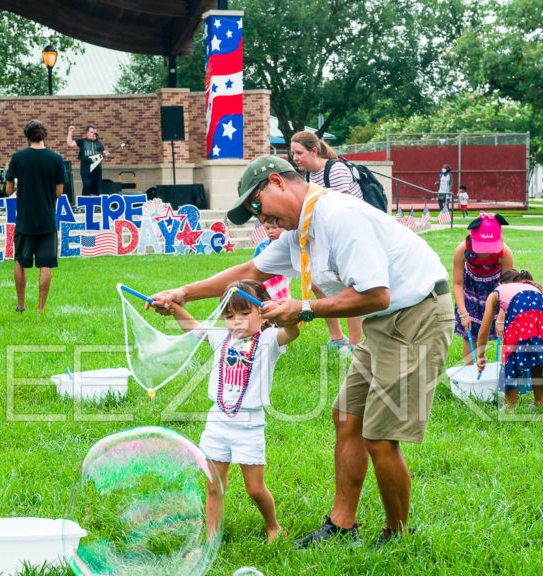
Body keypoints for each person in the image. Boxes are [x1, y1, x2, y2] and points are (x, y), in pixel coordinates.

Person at [149, 156, 452, 547]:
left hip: (419, 314)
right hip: (386, 321)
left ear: (277, 182)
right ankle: (342, 526)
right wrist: (181, 294)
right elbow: (249, 273)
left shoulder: (337, 215)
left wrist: (303, 309)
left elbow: (377, 293)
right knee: (346, 417)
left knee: (379, 435)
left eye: (259, 207)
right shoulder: (300, 233)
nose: (262, 221)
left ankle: (397, 534)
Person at [170, 280, 300, 542]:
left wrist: (285, 315)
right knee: (213, 484)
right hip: (217, 420)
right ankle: (211, 537)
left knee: (254, 488)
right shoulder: (221, 338)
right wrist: (172, 306)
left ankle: (273, 526)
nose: (236, 321)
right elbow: (193, 328)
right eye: (229, 316)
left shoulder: (268, 340)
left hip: (249, 424)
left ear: (262, 313)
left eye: (244, 313)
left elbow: (292, 332)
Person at [290, 130, 363, 353]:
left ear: (314, 151)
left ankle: (356, 345)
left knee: (349, 289)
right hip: (324, 236)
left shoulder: (336, 169)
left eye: (299, 153)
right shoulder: (309, 176)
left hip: (349, 234)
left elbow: (340, 210)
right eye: (292, 153)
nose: (295, 158)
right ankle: (337, 338)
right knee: (317, 282)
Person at [477, 269, 543, 410]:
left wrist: (481, 355)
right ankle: (538, 404)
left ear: (501, 283)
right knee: (539, 357)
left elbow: (484, 329)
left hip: (521, 310)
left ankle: (510, 407)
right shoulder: (531, 287)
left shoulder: (497, 291)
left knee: (511, 358)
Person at [5, 120, 65, 313]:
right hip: (47, 219)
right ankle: (40, 308)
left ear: (27, 136)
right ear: (44, 135)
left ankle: (21, 305)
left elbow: (8, 190)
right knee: (45, 264)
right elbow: (58, 192)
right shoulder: (56, 159)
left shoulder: (18, 158)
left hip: (24, 220)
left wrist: (14, 176)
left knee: (19, 261)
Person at [452, 213, 514, 364]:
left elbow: (508, 288)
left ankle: (503, 370)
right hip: (471, 291)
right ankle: (471, 371)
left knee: (503, 330)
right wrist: (463, 312)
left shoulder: (504, 253)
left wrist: (501, 315)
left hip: (496, 291)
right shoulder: (463, 250)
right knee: (470, 333)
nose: (485, 251)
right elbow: (457, 283)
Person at [66, 124, 107, 196]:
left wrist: (105, 153)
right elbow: (70, 144)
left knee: (96, 188)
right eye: (92, 132)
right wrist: (70, 132)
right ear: (87, 133)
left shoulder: (99, 143)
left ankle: (94, 205)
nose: (94, 134)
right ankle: (85, 203)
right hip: (86, 168)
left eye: (95, 133)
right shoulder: (82, 141)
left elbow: (102, 153)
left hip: (97, 168)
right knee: (87, 184)